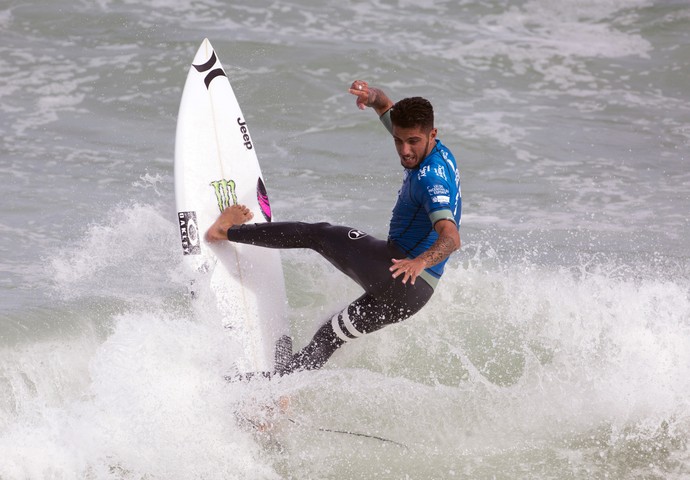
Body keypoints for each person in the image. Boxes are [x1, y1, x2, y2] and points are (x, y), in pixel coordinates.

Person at [206, 80, 461, 375]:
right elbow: (389, 111)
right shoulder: (436, 151)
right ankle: (278, 393)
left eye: (412, 142)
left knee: (316, 234)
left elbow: (451, 237)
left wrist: (420, 261)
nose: (404, 150)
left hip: (401, 275)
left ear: (432, 134)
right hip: (414, 298)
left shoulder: (431, 180)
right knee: (330, 335)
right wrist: (374, 97)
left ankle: (224, 231)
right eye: (398, 140)